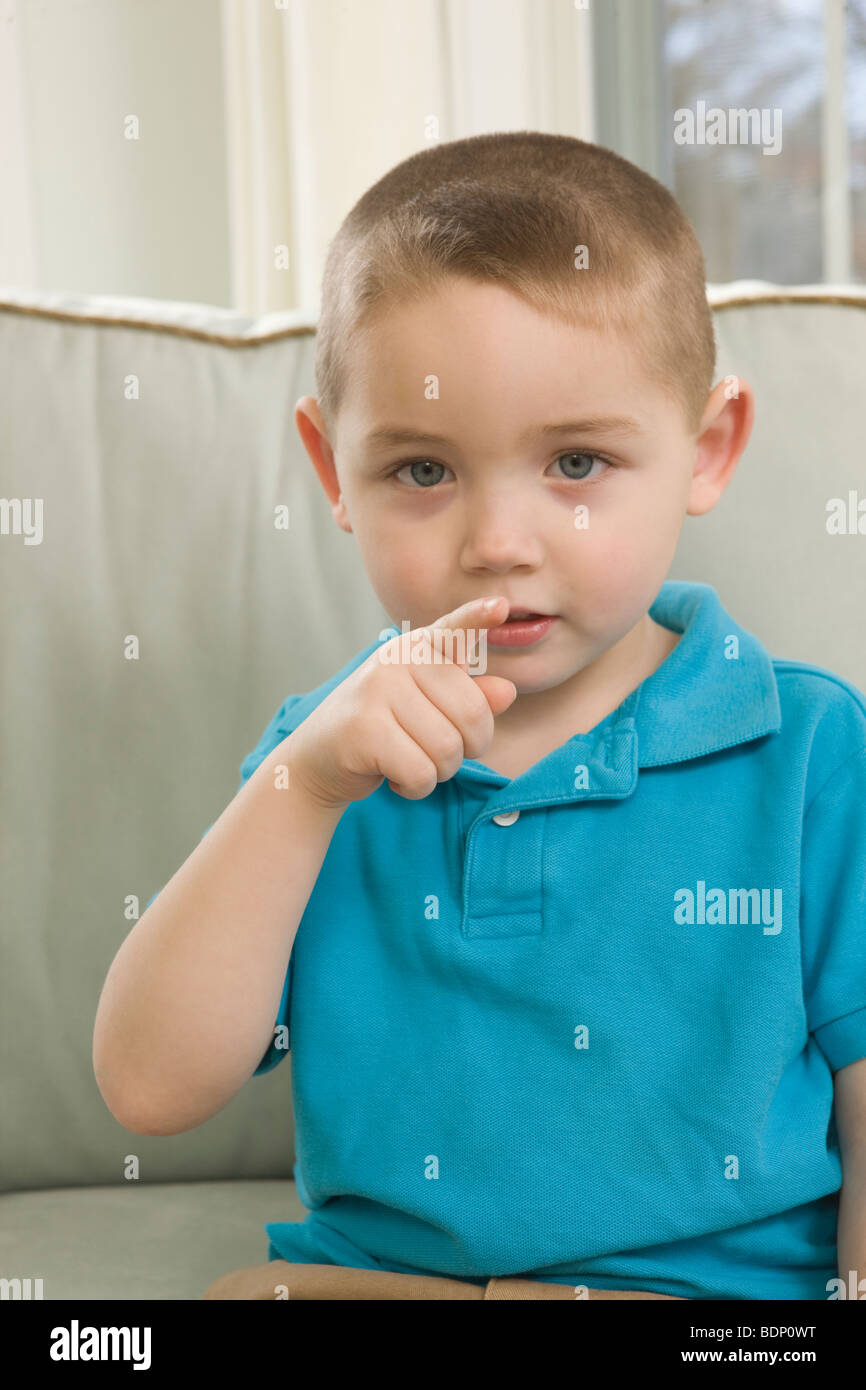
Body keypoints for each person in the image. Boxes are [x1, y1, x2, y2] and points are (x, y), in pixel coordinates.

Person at [93, 132, 866, 1301]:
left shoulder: (805, 749)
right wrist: (299, 788)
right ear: (330, 470)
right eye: (420, 471)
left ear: (704, 451)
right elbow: (150, 1090)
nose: (496, 542)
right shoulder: (321, 757)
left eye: (574, 463)